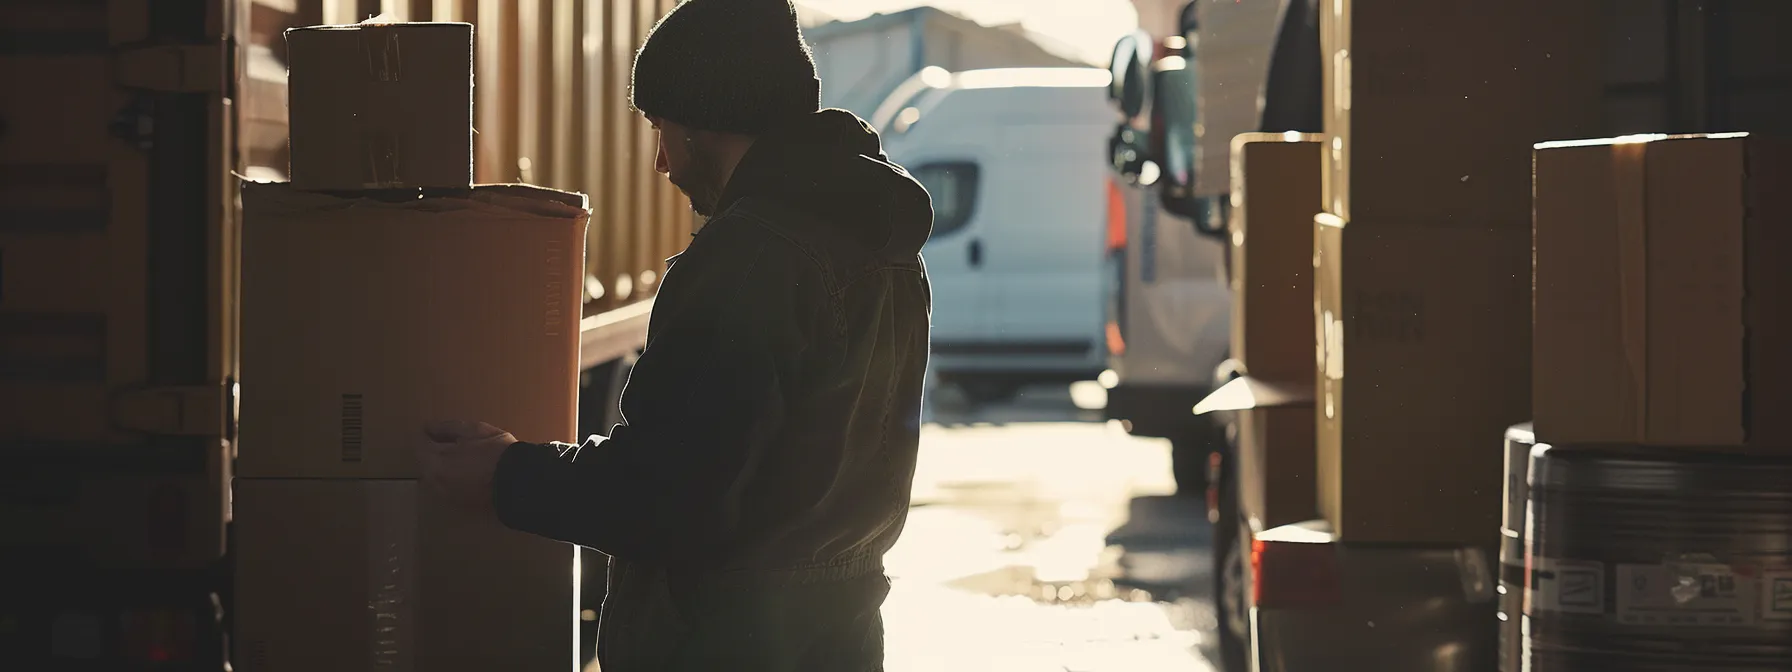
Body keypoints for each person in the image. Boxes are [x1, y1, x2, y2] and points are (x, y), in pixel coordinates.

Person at [414, 0, 934, 670]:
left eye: (663, 129)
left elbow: (670, 493)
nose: (661, 162)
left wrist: (508, 473)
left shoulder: (752, 256)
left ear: (705, 125)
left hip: (728, 645)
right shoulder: (885, 249)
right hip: (839, 636)